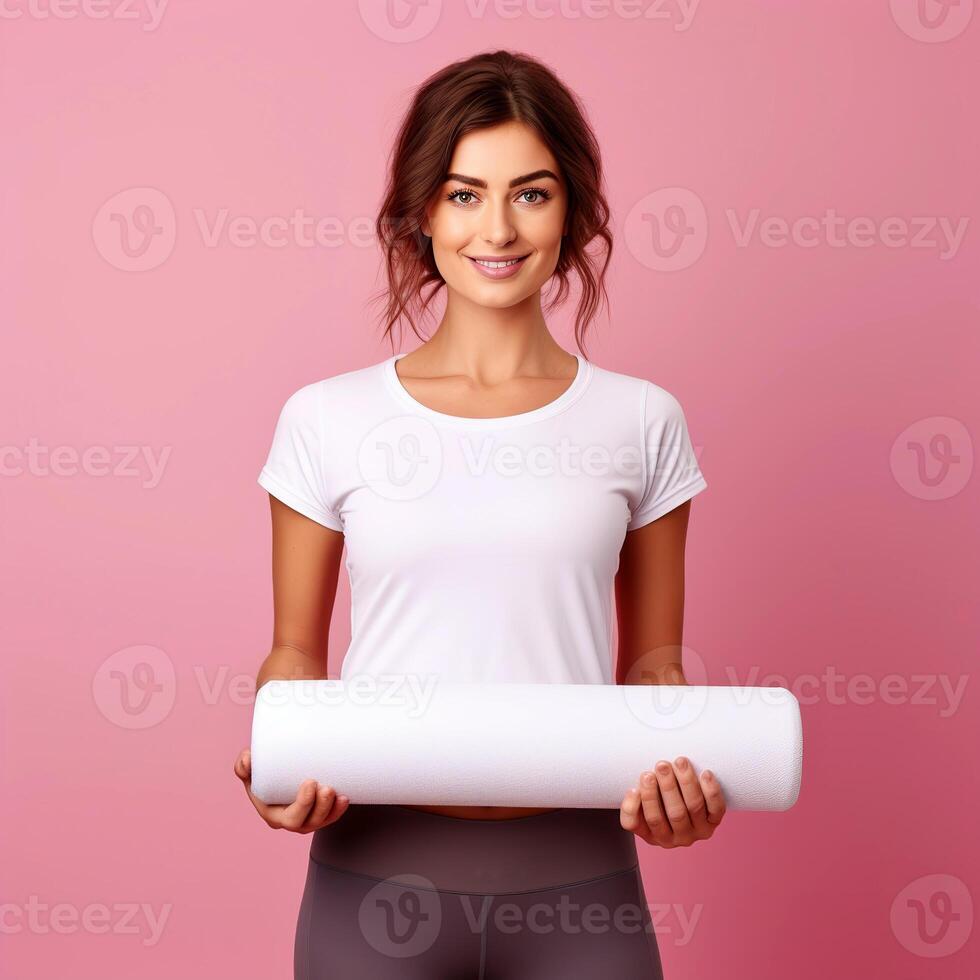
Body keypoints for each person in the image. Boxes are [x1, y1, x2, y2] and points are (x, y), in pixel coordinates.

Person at [233, 49, 726, 979]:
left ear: (572, 210)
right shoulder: (328, 418)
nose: (496, 227)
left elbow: (654, 663)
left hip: (585, 886)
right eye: (464, 194)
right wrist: (280, 753)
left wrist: (677, 773)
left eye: (530, 194)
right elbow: (295, 654)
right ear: (422, 210)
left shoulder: (641, 419)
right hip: (370, 884)